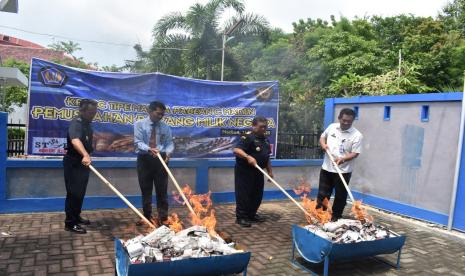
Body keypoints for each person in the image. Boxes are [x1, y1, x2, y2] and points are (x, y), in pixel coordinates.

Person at [317, 108, 363, 222]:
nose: (346, 123)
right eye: (344, 120)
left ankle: (336, 217)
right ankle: (320, 215)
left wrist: (343, 159)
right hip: (326, 169)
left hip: (343, 171)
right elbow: (322, 137)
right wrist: (324, 145)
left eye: (349, 121)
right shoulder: (332, 127)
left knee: (340, 196)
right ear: (339, 118)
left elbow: (355, 153)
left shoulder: (357, 135)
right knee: (323, 194)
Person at [134, 101, 174, 226]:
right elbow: (138, 142)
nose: (160, 117)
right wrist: (148, 148)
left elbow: (169, 143)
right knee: (146, 190)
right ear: (150, 111)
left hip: (161, 160)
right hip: (145, 159)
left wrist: (168, 152)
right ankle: (146, 217)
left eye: (162, 115)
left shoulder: (165, 127)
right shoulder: (139, 124)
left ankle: (163, 218)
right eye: (158, 114)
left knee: (162, 190)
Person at [64, 99, 98, 234]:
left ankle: (76, 216)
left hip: (83, 162)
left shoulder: (87, 124)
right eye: (91, 112)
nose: (93, 114)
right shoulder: (76, 123)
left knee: (80, 192)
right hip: (74, 162)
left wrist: (87, 154)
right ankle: (70, 223)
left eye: (95, 112)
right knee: (73, 193)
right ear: (82, 111)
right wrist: (85, 154)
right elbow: (75, 140)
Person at [233, 116, 273, 227]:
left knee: (257, 195)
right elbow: (236, 150)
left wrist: (270, 172)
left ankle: (251, 215)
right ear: (254, 126)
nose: (263, 129)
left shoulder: (265, 140)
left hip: (259, 172)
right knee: (244, 194)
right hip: (245, 172)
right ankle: (241, 217)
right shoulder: (248, 137)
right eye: (261, 127)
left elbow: (267, 157)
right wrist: (248, 157)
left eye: (265, 127)